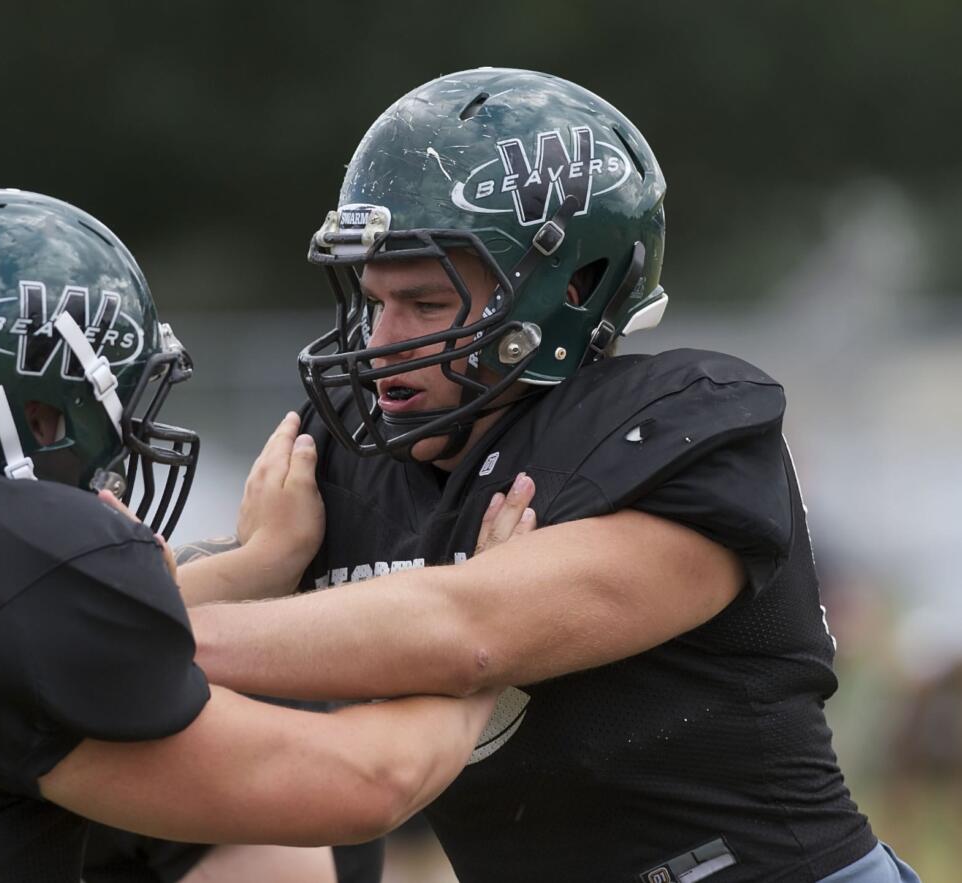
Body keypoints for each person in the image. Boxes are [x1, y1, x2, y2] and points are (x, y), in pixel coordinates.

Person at [188, 69, 922, 882]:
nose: (384, 340)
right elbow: (93, 618)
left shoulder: (679, 424)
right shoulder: (342, 464)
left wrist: (152, 638)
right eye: (374, 300)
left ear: (568, 292)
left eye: (427, 305)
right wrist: (249, 568)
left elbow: (468, 632)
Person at [0, 189, 502, 882]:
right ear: (39, 416)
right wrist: (496, 636)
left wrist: (259, 564)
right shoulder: (15, 569)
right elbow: (364, 783)